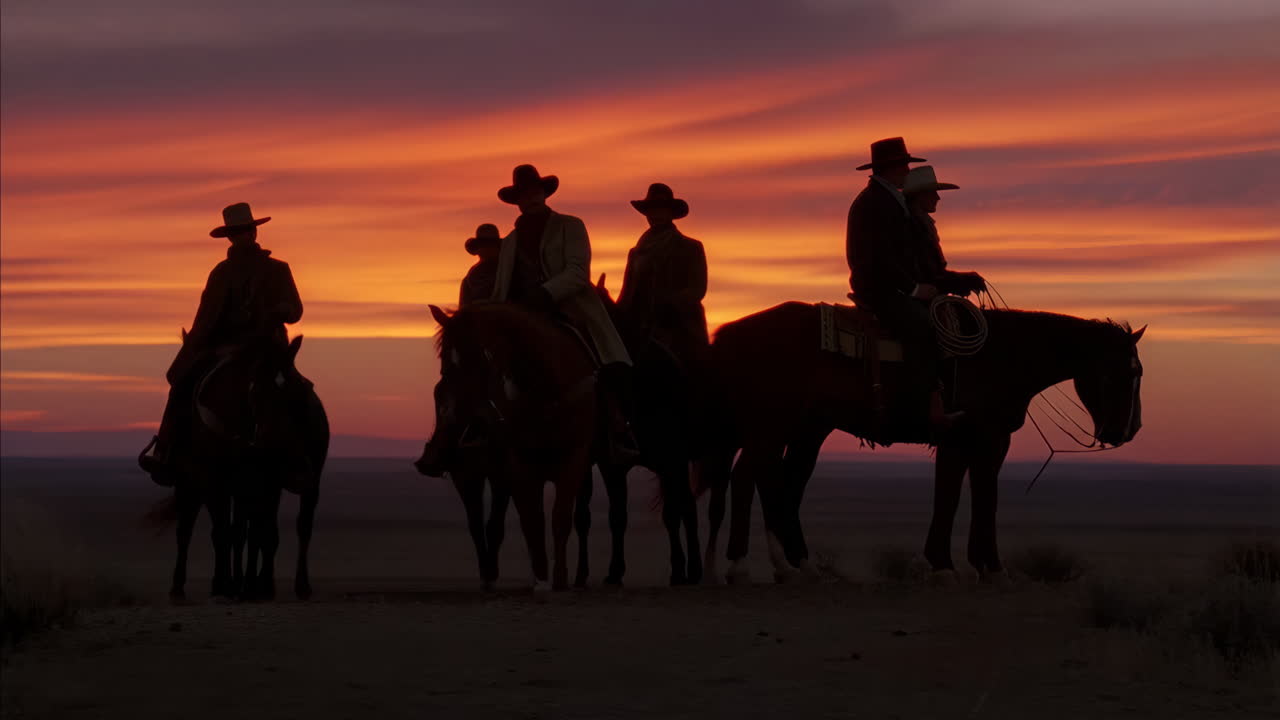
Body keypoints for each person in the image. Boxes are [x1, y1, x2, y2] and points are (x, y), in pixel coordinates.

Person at [138, 202, 303, 484]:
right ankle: (167, 451)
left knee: (297, 392)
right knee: (183, 386)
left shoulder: (278, 269)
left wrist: (280, 310)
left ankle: (301, 458)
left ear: (253, 232)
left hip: (266, 347)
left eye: (244, 231)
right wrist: (190, 351)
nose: (240, 237)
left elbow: (296, 311)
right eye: (236, 233)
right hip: (226, 348)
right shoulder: (220, 273)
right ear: (231, 237)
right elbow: (205, 317)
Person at [488, 164, 639, 462]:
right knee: (484, 361)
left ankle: (621, 428)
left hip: (569, 308)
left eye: (534, 192)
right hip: (522, 314)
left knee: (605, 362)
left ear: (544, 194)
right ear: (516, 200)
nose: (529, 198)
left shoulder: (570, 225)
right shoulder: (509, 243)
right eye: (523, 194)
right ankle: (484, 428)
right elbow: (501, 286)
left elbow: (577, 271)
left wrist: (545, 293)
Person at [845, 138, 961, 433]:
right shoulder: (875, 202)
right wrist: (913, 288)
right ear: (891, 168)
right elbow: (881, 258)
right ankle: (924, 409)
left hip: (886, 284)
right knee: (923, 328)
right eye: (904, 165)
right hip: (879, 288)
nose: (907, 171)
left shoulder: (884, 200)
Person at [618, 182, 709, 375]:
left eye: (661, 210)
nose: (656, 215)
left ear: (670, 213)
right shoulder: (636, 253)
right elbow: (627, 293)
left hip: (679, 328)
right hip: (639, 327)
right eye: (652, 210)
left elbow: (697, 289)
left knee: (696, 374)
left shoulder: (690, 247)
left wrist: (666, 303)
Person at [901, 166, 985, 298]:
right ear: (919, 195)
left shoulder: (918, 223)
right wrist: (960, 280)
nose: (937, 197)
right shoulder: (914, 227)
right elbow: (927, 274)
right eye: (932, 193)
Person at [458, 223, 502, 307]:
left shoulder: (508, 268)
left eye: (491, 246)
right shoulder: (470, 276)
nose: (487, 249)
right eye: (483, 246)